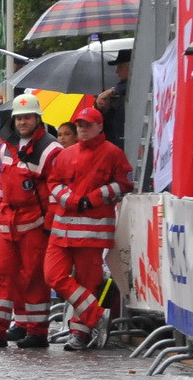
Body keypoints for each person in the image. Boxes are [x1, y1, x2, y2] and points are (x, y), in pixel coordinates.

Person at [0, 94, 62, 350]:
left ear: (37, 118)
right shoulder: (6, 148)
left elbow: (54, 191)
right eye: (19, 118)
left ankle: (37, 332)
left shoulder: (51, 150)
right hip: (9, 221)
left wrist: (49, 223)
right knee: (3, 277)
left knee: (33, 278)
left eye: (27, 117)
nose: (23, 122)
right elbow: (3, 186)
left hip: (35, 223)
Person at [43, 103, 133, 351]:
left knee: (87, 282)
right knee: (53, 275)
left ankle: (80, 335)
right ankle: (96, 315)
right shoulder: (66, 154)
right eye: (80, 125)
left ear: (99, 127)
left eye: (87, 125)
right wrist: (71, 200)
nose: (83, 129)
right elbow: (54, 182)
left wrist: (94, 198)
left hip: (92, 233)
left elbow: (125, 183)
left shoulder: (113, 153)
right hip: (63, 230)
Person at [98, 48, 131, 146]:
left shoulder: (127, 87)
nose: (117, 71)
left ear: (130, 67)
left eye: (120, 67)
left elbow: (131, 85)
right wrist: (106, 108)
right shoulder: (120, 89)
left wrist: (111, 91)